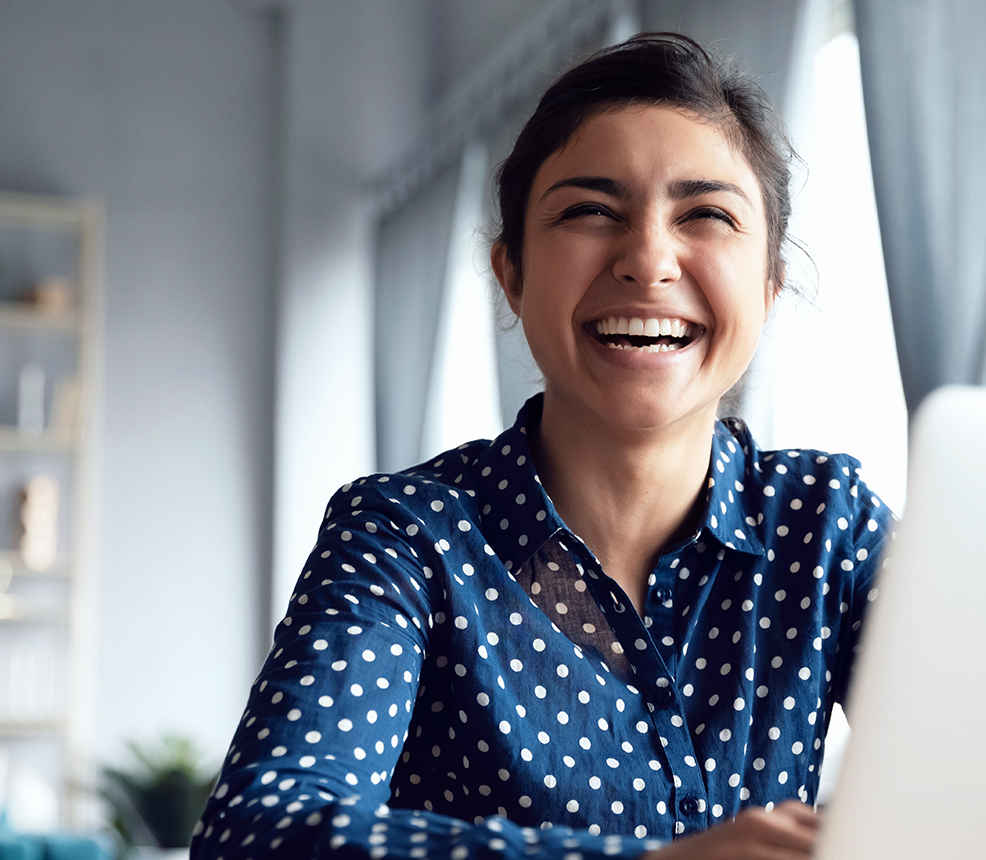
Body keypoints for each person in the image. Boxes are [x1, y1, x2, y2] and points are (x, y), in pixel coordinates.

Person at [192, 32, 891, 860]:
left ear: (770, 284)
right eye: (591, 211)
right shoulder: (406, 536)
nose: (648, 260)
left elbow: (980, 769)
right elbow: (256, 833)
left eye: (706, 214)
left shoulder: (827, 526)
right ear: (511, 275)